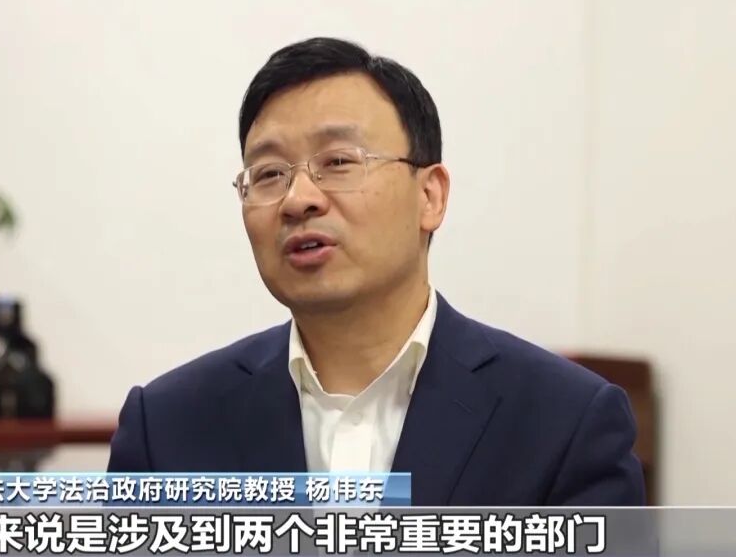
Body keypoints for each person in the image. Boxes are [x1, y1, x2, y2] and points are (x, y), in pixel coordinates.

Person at [108, 37, 645, 506]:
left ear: (430, 196)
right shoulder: (167, 428)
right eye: (268, 174)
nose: (298, 199)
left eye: (339, 162)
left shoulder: (565, 423)